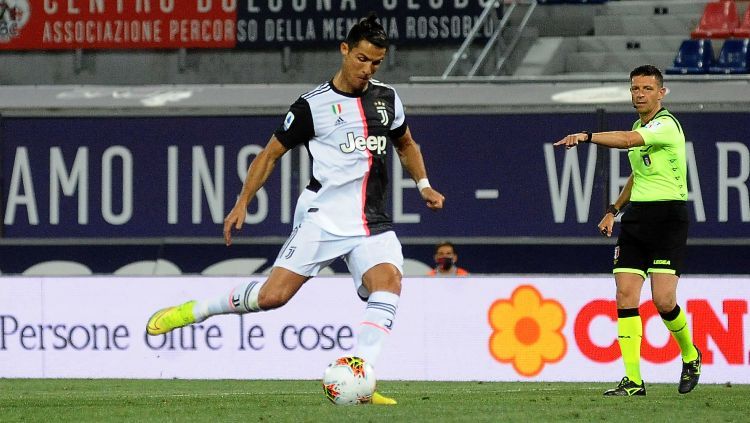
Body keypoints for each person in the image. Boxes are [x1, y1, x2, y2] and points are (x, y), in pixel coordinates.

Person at [146, 13, 445, 405]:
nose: (367, 69)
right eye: (361, 59)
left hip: (371, 222)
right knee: (272, 298)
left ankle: (360, 375)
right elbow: (269, 155)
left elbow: (406, 143)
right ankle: (198, 310)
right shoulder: (312, 106)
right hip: (323, 218)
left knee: (388, 283)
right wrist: (242, 203)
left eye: (376, 63)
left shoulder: (386, 98)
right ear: (344, 51)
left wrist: (423, 185)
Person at [554, 64, 701, 396]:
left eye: (647, 89)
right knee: (625, 295)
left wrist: (587, 136)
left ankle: (690, 355)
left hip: (668, 219)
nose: (639, 94)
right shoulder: (640, 124)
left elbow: (628, 140)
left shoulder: (665, 125)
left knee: (664, 301)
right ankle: (633, 380)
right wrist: (613, 210)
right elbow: (638, 177)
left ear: (661, 93)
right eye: (635, 88)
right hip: (637, 220)